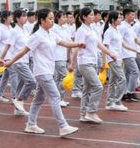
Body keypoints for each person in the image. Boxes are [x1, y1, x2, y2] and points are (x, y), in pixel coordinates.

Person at [5, 8, 82, 137]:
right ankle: (63, 126)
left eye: (53, 19)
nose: (52, 21)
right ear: (42, 20)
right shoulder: (37, 36)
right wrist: (10, 62)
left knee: (38, 99)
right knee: (55, 96)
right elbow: (23, 51)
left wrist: (78, 44)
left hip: (48, 70)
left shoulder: (51, 34)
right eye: (50, 19)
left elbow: (65, 43)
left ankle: (31, 124)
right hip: (42, 71)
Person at [69, 8, 118, 124]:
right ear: (84, 17)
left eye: (93, 15)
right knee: (98, 87)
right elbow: (76, 47)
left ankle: (83, 114)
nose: (93, 16)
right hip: (85, 62)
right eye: (90, 15)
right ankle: (91, 112)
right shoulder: (81, 30)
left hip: (92, 61)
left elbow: (99, 44)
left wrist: (109, 53)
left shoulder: (92, 29)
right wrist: (72, 63)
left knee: (87, 89)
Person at [102, 11, 131, 111]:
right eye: (119, 18)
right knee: (122, 79)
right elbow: (105, 46)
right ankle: (117, 101)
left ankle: (110, 103)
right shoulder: (109, 32)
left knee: (113, 81)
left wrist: (134, 49)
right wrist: (104, 60)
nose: (121, 19)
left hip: (119, 58)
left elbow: (123, 44)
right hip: (112, 59)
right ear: (113, 20)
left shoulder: (117, 30)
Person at [119, 9, 140, 103]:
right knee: (135, 72)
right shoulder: (122, 27)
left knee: (127, 74)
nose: (134, 17)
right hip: (126, 53)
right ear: (126, 15)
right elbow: (120, 41)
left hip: (131, 53)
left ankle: (124, 93)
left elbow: (135, 40)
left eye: (134, 15)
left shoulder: (130, 26)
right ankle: (130, 92)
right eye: (132, 15)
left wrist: (137, 50)